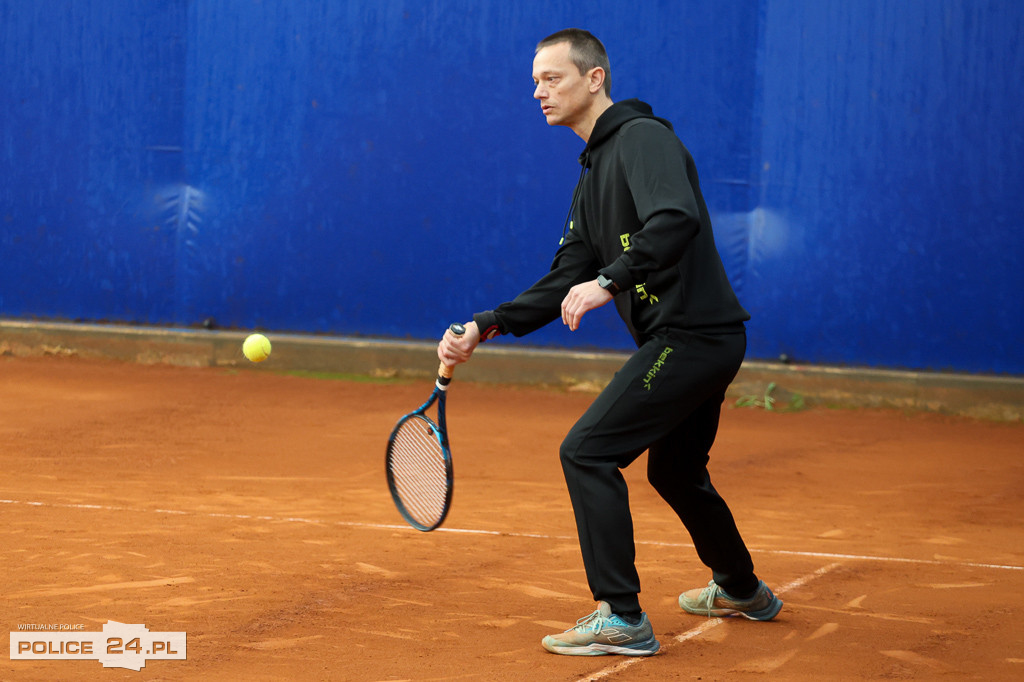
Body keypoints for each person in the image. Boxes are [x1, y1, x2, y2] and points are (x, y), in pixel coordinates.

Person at [437, 28, 782, 657]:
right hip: (697, 339)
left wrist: (611, 279)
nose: (538, 91)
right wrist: (487, 323)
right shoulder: (592, 171)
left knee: (587, 452)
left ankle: (621, 615)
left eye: (552, 78)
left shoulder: (642, 139)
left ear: (595, 78)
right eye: (535, 80)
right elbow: (568, 272)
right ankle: (740, 587)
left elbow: (675, 219)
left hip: (691, 335)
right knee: (676, 471)